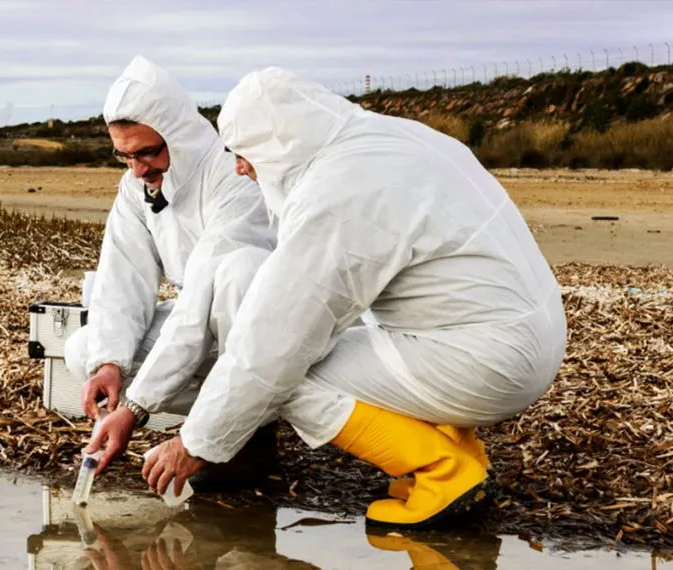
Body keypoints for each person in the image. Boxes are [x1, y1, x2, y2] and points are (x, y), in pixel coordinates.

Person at [142, 66, 568, 530]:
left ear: (277, 144)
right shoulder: (391, 138)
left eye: (243, 153)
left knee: (286, 374)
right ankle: (462, 451)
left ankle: (443, 473)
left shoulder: (337, 191)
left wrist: (195, 443)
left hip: (487, 360)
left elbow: (271, 349)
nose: (239, 167)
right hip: (522, 337)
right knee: (338, 339)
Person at [63, 55, 279, 490]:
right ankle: (220, 417)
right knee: (84, 348)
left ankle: (248, 432)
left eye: (147, 152)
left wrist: (136, 408)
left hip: (262, 335)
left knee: (239, 271)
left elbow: (201, 303)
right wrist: (109, 363)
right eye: (125, 156)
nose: (138, 169)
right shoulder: (136, 187)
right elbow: (122, 281)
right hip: (200, 330)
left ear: (178, 137)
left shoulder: (233, 176)